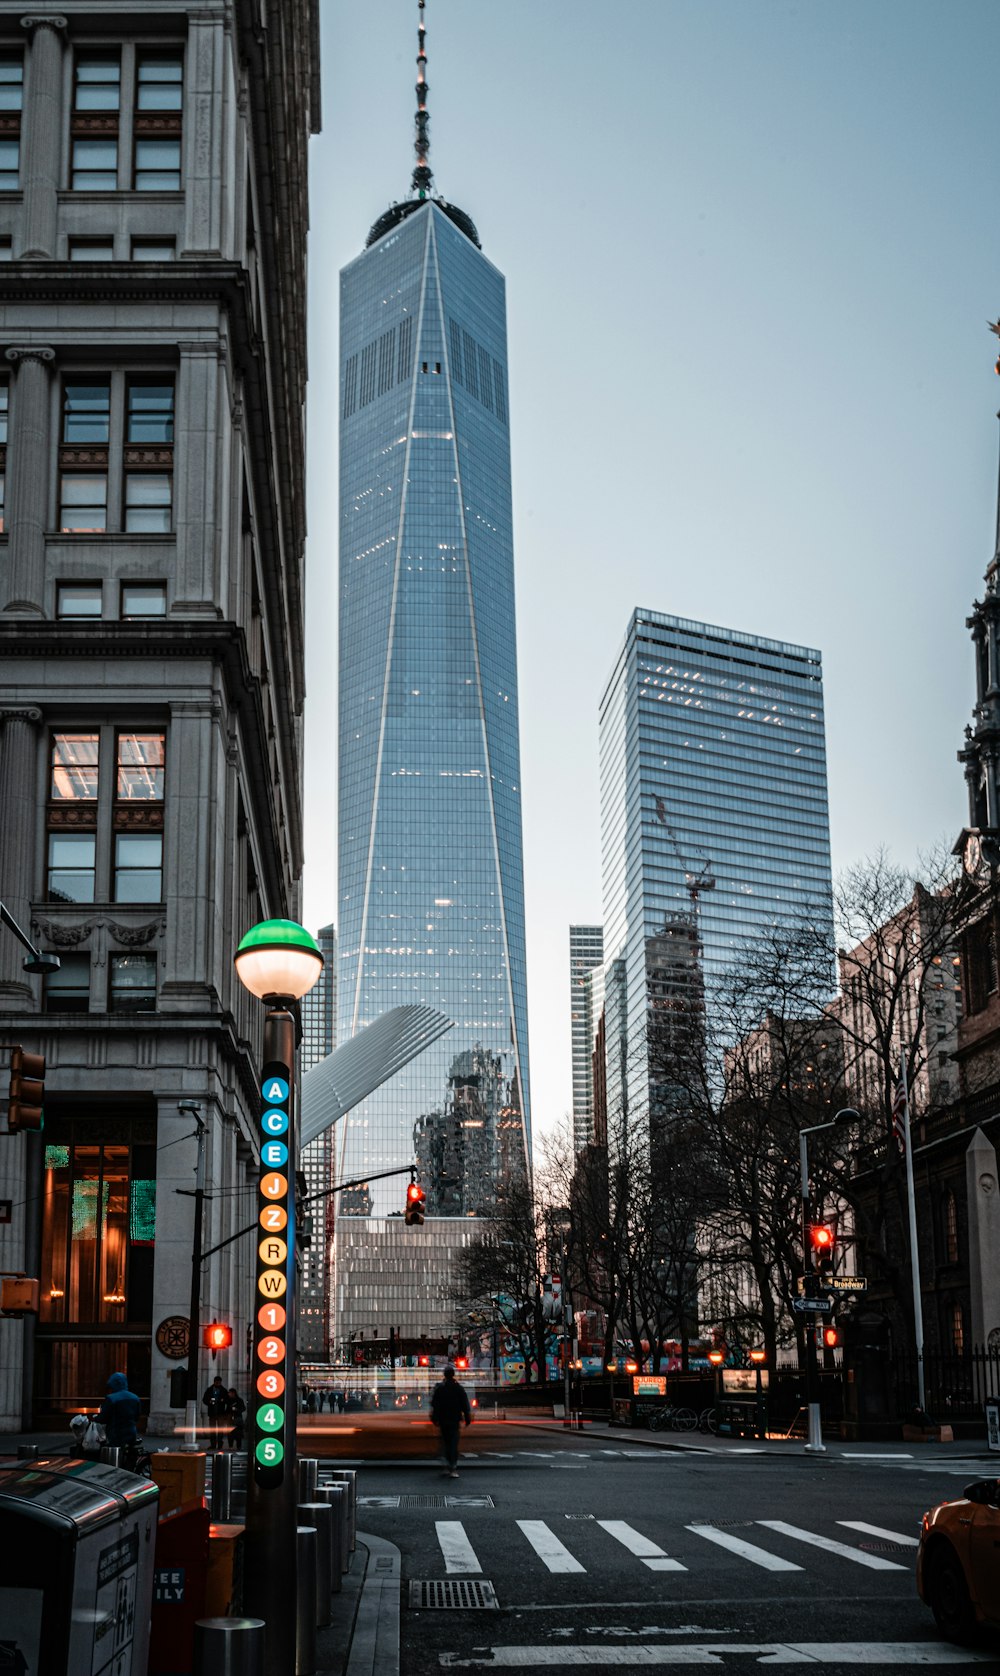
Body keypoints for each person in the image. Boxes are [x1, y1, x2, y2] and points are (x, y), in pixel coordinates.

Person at [431, 1365, 471, 1477]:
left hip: (444, 1419)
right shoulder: (458, 1388)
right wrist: (467, 1417)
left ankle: (447, 1464)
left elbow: (435, 1404)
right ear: (453, 1375)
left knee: (445, 1442)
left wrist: (435, 1417)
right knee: (453, 1443)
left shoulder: (440, 1388)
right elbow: (464, 1404)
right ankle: (452, 1466)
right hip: (454, 1419)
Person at [99, 1371, 140, 1449]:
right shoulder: (135, 1397)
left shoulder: (111, 1398)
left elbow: (103, 1418)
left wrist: (96, 1418)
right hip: (131, 1433)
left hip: (116, 1434)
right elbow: (137, 1417)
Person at [203, 1374, 228, 1439]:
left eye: (219, 1382)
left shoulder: (223, 1390)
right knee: (213, 1429)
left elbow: (227, 1400)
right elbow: (205, 1399)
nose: (218, 1384)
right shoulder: (210, 1390)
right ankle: (214, 1444)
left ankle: (218, 1444)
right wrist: (209, 1402)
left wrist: (222, 1400)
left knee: (219, 1430)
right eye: (217, 1382)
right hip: (213, 1412)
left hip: (219, 1412)